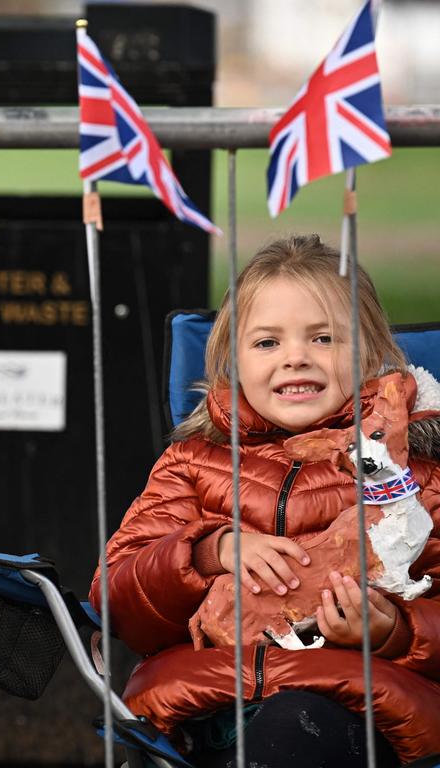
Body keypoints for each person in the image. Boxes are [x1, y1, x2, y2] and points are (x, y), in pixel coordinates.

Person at [91, 235, 440, 767]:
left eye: (323, 338)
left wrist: (392, 632)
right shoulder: (193, 465)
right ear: (232, 361)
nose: (295, 358)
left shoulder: (413, 478)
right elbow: (116, 601)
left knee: (289, 733)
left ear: (369, 355)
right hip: (196, 710)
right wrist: (210, 551)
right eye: (267, 343)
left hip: (348, 709)